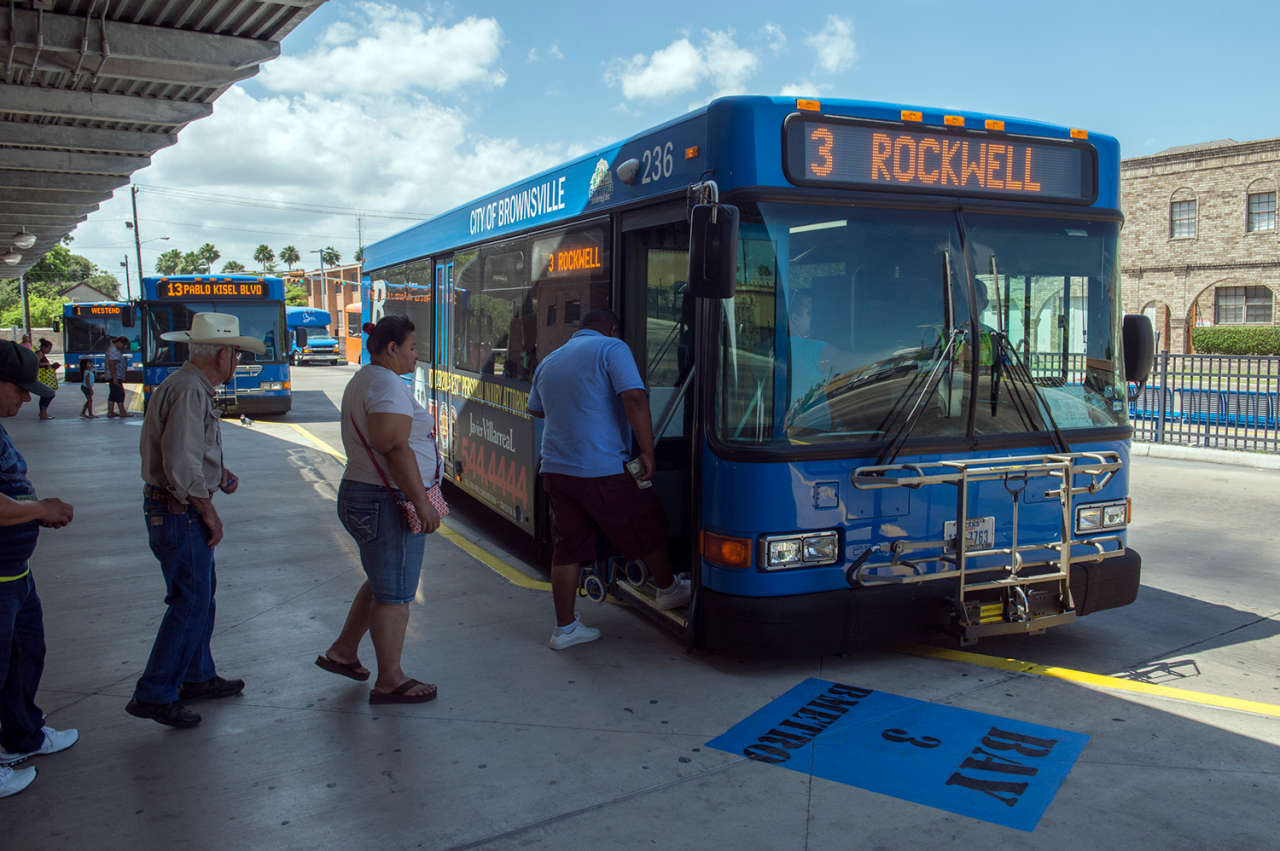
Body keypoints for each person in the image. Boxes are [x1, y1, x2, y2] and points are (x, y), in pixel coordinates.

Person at [127, 314, 263, 728]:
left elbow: (187, 453)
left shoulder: (188, 386)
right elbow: (181, 463)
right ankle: (155, 692)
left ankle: (197, 675)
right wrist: (208, 510)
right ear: (222, 353)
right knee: (190, 602)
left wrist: (215, 472)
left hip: (176, 508)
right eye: (235, 353)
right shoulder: (190, 391)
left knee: (200, 598)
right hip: (177, 512)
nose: (236, 360)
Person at [527, 307, 691, 650]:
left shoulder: (551, 360)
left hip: (556, 469)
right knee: (648, 522)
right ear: (613, 330)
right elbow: (633, 397)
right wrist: (647, 451)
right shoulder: (612, 348)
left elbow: (536, 409)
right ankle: (668, 589)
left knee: (568, 547)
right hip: (600, 467)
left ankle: (565, 629)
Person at [317, 316, 441, 704]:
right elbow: (392, 445)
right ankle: (390, 678)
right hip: (384, 499)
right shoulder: (386, 384)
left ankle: (343, 651)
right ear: (392, 349)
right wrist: (421, 503)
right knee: (395, 594)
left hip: (365, 492)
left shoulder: (368, 379)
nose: (417, 356)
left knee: (385, 579)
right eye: (412, 348)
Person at [0, 341, 78, 798]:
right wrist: (37, 510)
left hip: (14, 571)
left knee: (23, 657)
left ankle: (20, 736)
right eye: (20, 389)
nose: (26, 399)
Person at [105, 336, 131, 418]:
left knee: (113, 394)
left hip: (116, 375)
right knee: (120, 394)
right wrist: (115, 378)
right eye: (123, 345)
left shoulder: (114, 350)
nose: (123, 347)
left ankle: (110, 411)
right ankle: (122, 411)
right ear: (118, 342)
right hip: (115, 376)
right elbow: (112, 364)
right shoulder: (113, 350)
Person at [34, 339, 58, 420]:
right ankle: (43, 412)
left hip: (43, 378)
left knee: (45, 394)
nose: (49, 350)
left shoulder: (41, 354)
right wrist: (47, 364)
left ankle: (43, 412)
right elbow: (35, 363)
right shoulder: (39, 353)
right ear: (43, 347)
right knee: (49, 393)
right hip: (40, 378)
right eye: (48, 348)